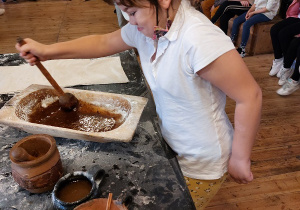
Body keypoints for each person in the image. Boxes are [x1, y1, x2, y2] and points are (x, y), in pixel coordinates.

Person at [15, 0, 262, 209]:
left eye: (132, 12)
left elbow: (249, 96)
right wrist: (47, 51)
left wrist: (240, 159)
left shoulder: (198, 39)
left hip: (201, 161)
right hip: (173, 145)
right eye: (124, 12)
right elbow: (102, 43)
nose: (129, 20)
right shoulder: (149, 28)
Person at [269, 0, 300, 85]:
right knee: (274, 30)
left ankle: (287, 65)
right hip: (296, 17)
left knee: (284, 34)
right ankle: (279, 59)